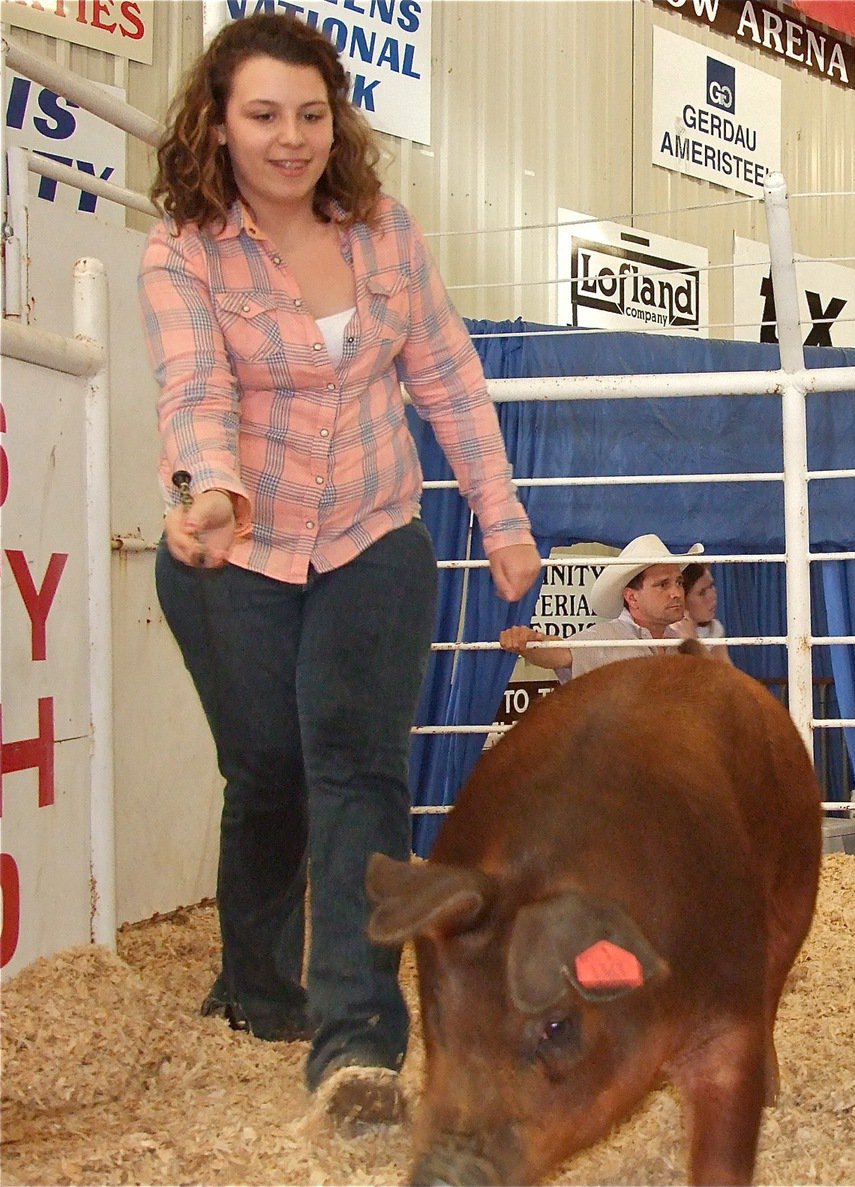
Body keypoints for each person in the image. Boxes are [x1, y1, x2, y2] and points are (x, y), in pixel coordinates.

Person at [137, 12, 540, 1117]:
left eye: (311, 114)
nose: (291, 137)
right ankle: (258, 988)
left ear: (336, 120)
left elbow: (449, 377)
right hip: (236, 550)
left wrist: (500, 517)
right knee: (267, 770)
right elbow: (192, 391)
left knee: (358, 767)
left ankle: (358, 1041)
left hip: (373, 535)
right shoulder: (182, 250)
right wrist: (209, 492)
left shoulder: (383, 230)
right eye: (264, 114)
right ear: (218, 125)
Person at [499, 533, 702, 681]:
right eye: (663, 584)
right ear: (632, 597)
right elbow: (560, 654)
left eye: (679, 582)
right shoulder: (606, 638)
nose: (676, 592)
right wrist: (528, 643)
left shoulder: (683, 644)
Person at [681, 562, 733, 665]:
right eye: (702, 593)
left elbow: (725, 675)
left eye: (712, 586)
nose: (713, 596)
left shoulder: (715, 628)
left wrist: (694, 642)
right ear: (683, 600)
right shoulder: (669, 633)